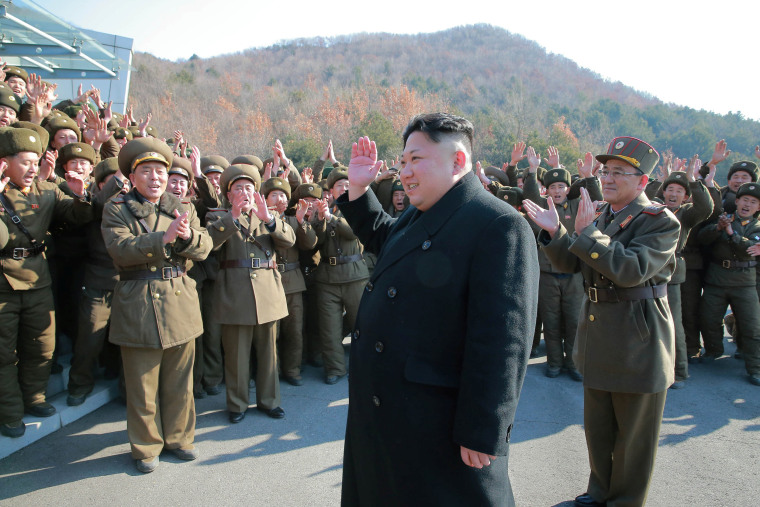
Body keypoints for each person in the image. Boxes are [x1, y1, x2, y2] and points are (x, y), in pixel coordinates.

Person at [337, 113, 539, 506]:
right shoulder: (421, 211)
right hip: (391, 407)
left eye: (417, 159)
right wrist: (360, 189)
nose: (405, 172)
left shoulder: (498, 224)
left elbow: (503, 341)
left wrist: (483, 428)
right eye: (403, 161)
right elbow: (386, 236)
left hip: (436, 418)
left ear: (458, 162)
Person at [524, 136, 680, 507]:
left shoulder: (659, 222)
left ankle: (624, 501)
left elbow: (630, 270)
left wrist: (587, 233)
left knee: (633, 439)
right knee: (599, 431)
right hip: (599, 334)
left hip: (637, 339)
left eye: (618, 173)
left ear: (642, 181)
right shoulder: (605, 215)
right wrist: (555, 233)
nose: (607, 179)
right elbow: (573, 263)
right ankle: (598, 495)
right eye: (604, 171)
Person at [101, 137, 211, 472]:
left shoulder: (183, 207)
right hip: (138, 303)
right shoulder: (116, 208)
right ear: (132, 178)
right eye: (146, 171)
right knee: (142, 385)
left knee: (180, 382)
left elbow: (204, 246)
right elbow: (119, 249)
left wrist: (188, 238)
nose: (155, 178)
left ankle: (180, 438)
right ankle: (146, 447)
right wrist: (161, 240)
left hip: (179, 300)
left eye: (160, 171)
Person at [0, 127, 93, 438]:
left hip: (38, 278)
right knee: (3, 353)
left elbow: (76, 215)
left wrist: (80, 194)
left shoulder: (47, 190)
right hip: (3, 282)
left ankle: (35, 398)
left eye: (35, 161)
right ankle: (11, 412)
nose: (32, 168)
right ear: (4, 163)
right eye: (24, 162)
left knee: (42, 346)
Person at [205, 164, 295, 423]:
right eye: (238, 189)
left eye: (249, 188)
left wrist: (268, 219)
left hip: (267, 290)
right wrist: (232, 217)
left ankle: (270, 401)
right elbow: (208, 245)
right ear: (228, 194)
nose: (244, 193)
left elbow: (288, 240)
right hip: (234, 292)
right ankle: (237, 404)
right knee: (236, 354)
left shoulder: (267, 217)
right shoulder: (217, 218)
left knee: (269, 353)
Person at [697, 182, 760, 385]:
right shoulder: (724, 219)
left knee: (752, 327)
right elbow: (702, 238)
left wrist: (731, 233)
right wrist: (718, 228)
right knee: (708, 318)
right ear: (737, 201)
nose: (747, 205)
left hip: (745, 283)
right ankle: (713, 350)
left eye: (753, 202)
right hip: (717, 279)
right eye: (744, 200)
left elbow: (748, 249)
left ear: (758, 207)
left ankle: (755, 368)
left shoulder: (757, 227)